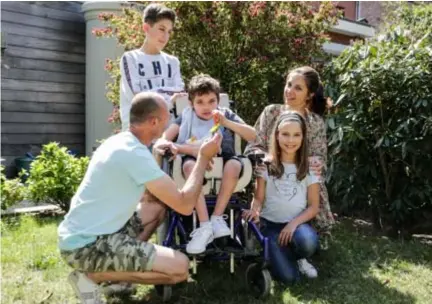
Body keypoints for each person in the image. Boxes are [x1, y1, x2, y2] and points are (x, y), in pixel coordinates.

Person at [58, 92, 222, 304]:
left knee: (156, 208)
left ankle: (118, 275)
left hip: (86, 233)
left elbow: (149, 197)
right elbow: (184, 205)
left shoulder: (121, 141)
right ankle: (90, 277)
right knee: (180, 269)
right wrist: (202, 158)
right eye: (166, 119)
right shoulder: (134, 154)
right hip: (85, 247)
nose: (169, 123)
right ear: (154, 122)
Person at [162, 74, 256, 254]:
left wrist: (226, 122)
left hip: (224, 158)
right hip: (194, 158)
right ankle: (204, 225)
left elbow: (252, 136)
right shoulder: (185, 116)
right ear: (191, 103)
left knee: (234, 166)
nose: (207, 107)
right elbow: (165, 140)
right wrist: (187, 150)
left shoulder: (225, 114)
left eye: (211, 101)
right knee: (190, 167)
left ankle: (217, 217)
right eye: (200, 102)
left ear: (218, 100)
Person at [244, 66, 335, 251]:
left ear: (309, 95)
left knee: (312, 183)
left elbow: (320, 158)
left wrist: (312, 162)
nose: (289, 91)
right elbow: (253, 146)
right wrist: (268, 158)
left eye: (298, 88)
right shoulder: (271, 112)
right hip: (271, 174)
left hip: (301, 176)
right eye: (289, 84)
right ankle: (263, 231)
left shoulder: (315, 122)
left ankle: (306, 232)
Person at [243, 111, 320, 285]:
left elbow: (314, 206)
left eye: (296, 135)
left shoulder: (309, 167)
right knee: (290, 279)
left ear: (303, 137)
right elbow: (259, 198)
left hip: (297, 225)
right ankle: (279, 255)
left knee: (307, 241)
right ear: (277, 135)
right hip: (270, 227)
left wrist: (292, 225)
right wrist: (255, 211)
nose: (290, 140)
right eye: (285, 134)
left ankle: (300, 257)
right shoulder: (266, 165)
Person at [120, 3, 186, 132]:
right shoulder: (130, 58)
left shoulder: (173, 62)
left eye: (169, 31)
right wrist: (167, 95)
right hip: (138, 134)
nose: (166, 36)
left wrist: (153, 93)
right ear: (146, 27)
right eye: (161, 29)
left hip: (166, 134)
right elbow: (139, 98)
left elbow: (179, 95)